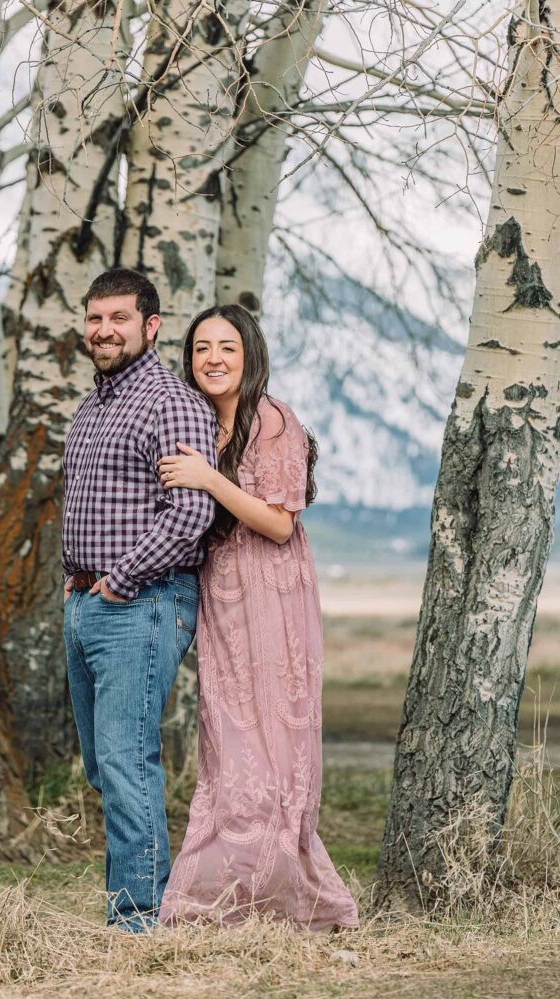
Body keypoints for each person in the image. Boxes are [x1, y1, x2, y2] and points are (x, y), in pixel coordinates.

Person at [157, 305, 359, 930]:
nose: (212, 359)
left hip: (270, 593)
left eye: (226, 347)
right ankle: (233, 898)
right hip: (221, 592)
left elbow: (277, 522)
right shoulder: (198, 424)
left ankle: (280, 896)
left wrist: (206, 480)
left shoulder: (273, 421)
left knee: (268, 744)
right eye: (200, 349)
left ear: (249, 355)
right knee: (227, 740)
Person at [62, 268, 217, 932]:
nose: (104, 330)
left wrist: (121, 579)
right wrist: (77, 581)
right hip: (86, 604)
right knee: (105, 765)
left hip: (143, 602)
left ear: (150, 326)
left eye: (118, 318)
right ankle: (141, 897)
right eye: (95, 318)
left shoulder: (170, 401)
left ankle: (139, 920)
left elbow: (190, 516)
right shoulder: (92, 404)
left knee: (126, 762)